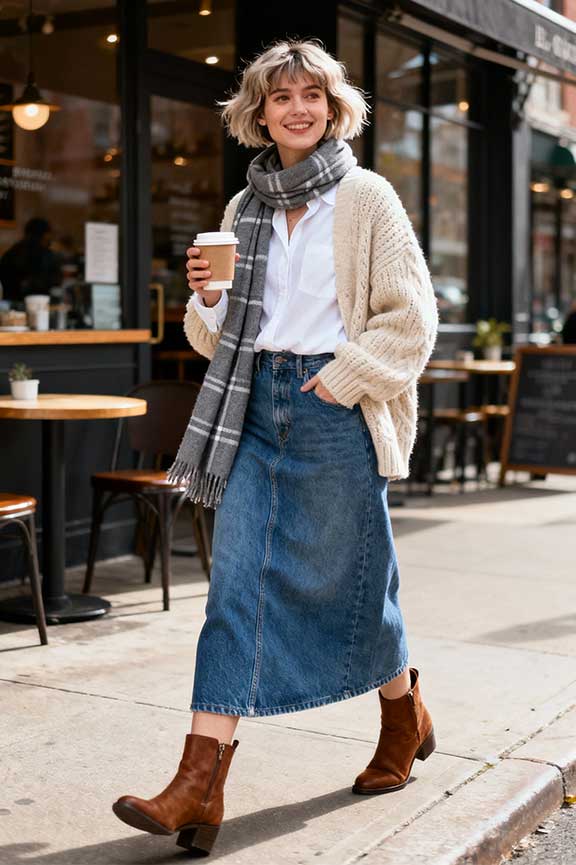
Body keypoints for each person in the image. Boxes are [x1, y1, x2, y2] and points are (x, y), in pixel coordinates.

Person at [112, 39, 439, 856]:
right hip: (251, 409)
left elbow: (411, 319)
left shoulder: (365, 198)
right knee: (234, 586)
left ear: (333, 108)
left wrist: (343, 378)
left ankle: (403, 715)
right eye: (282, 97)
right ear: (258, 113)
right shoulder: (242, 209)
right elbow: (216, 336)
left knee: (354, 586)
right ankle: (199, 781)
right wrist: (208, 298)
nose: (298, 109)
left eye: (312, 96)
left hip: (334, 408)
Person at [0, 217, 61, 303]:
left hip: (10, 304)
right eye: (49, 234)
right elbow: (55, 280)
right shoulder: (45, 254)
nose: (50, 238)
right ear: (43, 235)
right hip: (38, 303)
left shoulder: (12, 252)